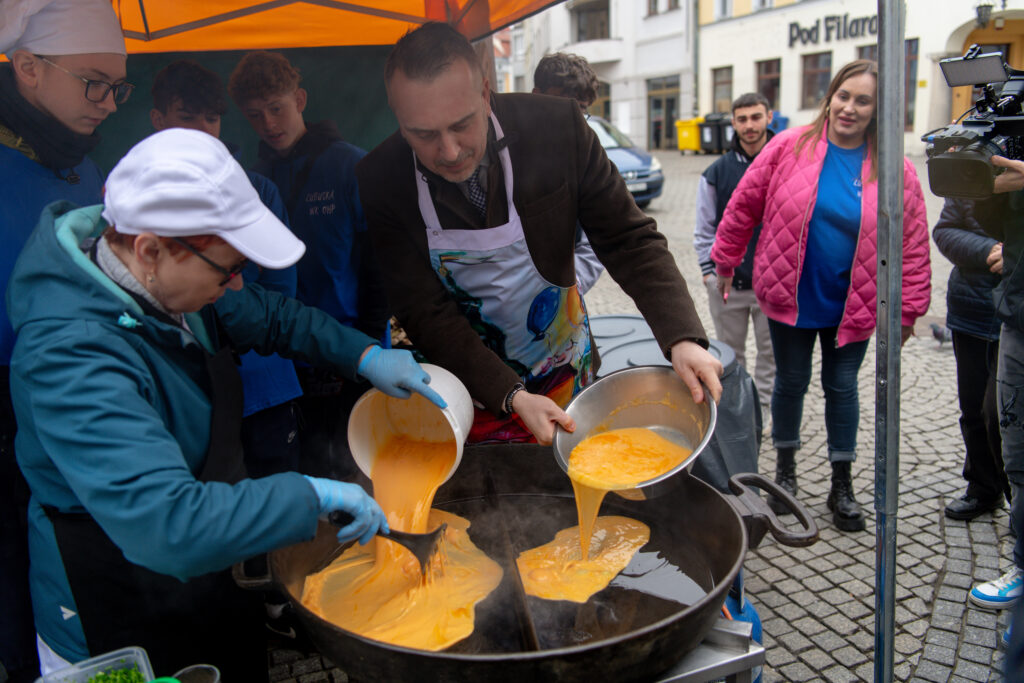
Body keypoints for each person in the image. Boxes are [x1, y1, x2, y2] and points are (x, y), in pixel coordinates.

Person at [6, 128, 444, 678]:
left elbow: (271, 315)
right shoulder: (71, 355)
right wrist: (306, 494)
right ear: (150, 250)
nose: (237, 285)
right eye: (228, 269)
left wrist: (363, 356)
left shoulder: (166, 282)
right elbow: (168, 526)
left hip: (207, 557)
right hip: (111, 596)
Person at [357, 22, 722, 446]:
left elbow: (627, 238)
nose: (450, 151)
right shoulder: (380, 177)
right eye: (424, 135)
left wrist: (681, 336)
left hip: (565, 362)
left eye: (461, 124)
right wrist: (509, 394)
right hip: (472, 384)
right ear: (399, 121)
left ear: (485, 91)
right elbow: (424, 309)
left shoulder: (557, 127)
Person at [711, 59, 931, 532]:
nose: (849, 108)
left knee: (842, 386)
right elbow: (743, 205)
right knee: (791, 383)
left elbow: (911, 242)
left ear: (878, 110)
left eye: (863, 101)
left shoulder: (895, 169)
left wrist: (910, 309)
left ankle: (841, 483)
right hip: (792, 294)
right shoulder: (789, 147)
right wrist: (725, 260)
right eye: (844, 96)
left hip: (854, 302)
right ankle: (785, 474)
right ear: (830, 96)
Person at [0, 2, 129, 679]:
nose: (109, 105)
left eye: (118, 87)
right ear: (26, 68)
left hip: (81, 415)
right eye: (94, 84)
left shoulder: (79, 164)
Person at [227, 50, 389, 479]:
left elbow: (379, 264)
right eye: (255, 115)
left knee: (364, 468)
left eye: (276, 109)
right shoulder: (254, 181)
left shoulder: (351, 165)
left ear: (299, 99)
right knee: (314, 473)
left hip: (355, 351)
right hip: (289, 359)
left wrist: (368, 345)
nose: (268, 124)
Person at [151, 59, 305, 479]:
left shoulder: (257, 192)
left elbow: (280, 290)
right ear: (157, 119)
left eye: (212, 118)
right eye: (187, 118)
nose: (202, 130)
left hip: (264, 382)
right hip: (190, 395)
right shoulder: (138, 196)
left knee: (282, 521)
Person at [965, 154, 1024, 615]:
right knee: (1013, 445)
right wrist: (985, 188)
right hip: (1018, 313)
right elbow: (989, 226)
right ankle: (1022, 562)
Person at [694, 92, 776, 421]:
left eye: (756, 117)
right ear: (733, 124)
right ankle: (737, 416)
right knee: (730, 355)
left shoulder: (786, 163)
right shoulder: (716, 172)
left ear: (769, 118)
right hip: (729, 284)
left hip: (774, 285)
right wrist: (708, 270)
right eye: (742, 119)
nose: (750, 125)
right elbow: (704, 227)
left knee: (772, 358)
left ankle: (765, 416)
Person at [932, 198, 1007, 520]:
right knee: (974, 408)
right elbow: (946, 230)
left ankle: (1017, 496)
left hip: (1015, 316)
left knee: (1002, 413)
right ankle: (983, 488)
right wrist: (989, 250)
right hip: (972, 310)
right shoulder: (971, 169)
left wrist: (1014, 252)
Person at [532, 52, 604, 295]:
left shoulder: (584, 162)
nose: (569, 120)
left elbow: (596, 242)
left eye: (580, 110)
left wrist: (567, 287)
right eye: (560, 105)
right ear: (535, 95)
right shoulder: (504, 153)